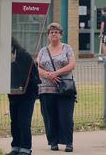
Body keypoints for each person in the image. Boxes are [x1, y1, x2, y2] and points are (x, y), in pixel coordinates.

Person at [37, 23, 77, 152]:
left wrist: (56, 73)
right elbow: (37, 67)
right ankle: (53, 142)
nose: (54, 34)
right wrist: (49, 75)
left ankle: (68, 143)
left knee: (66, 117)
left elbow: (72, 64)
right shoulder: (43, 50)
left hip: (65, 88)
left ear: (61, 34)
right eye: (51, 32)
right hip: (46, 89)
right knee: (50, 117)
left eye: (56, 32)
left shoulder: (67, 48)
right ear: (48, 35)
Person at [8, 38, 40, 155]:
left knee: (24, 122)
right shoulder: (5, 56)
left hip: (27, 93)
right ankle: (16, 146)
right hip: (13, 93)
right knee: (14, 121)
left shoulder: (23, 55)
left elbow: (29, 74)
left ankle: (26, 148)